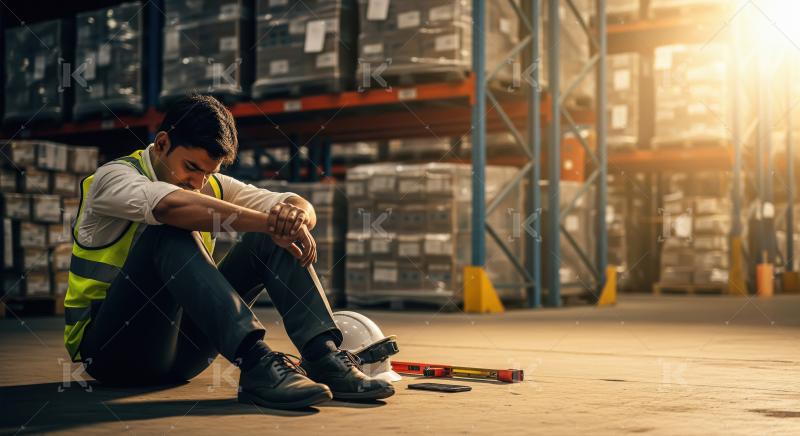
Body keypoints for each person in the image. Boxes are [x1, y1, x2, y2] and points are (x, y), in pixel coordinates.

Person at [63, 94, 394, 409]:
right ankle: (257, 362)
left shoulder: (209, 183)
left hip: (181, 356)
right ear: (162, 144)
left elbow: (290, 202)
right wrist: (270, 222)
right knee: (167, 231)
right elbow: (169, 207)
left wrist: (295, 217)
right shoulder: (112, 178)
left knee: (269, 236)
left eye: (209, 172)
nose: (198, 182)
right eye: (191, 167)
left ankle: (323, 358)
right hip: (113, 353)